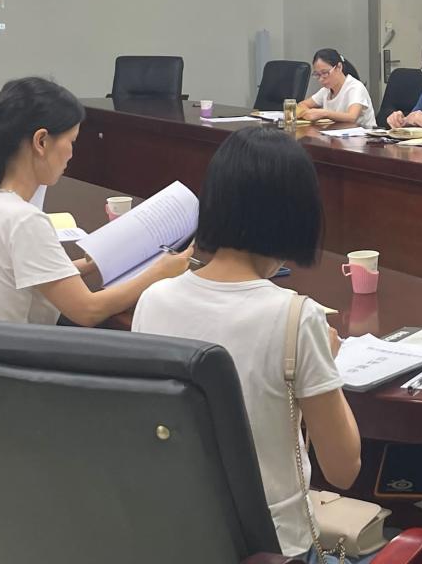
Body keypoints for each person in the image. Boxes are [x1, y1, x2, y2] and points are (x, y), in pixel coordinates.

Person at [132, 127, 366, 561]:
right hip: (276, 550)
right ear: (294, 216)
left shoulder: (152, 301)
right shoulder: (296, 317)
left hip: (181, 540)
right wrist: (326, 365)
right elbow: (344, 469)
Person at [0, 77, 192, 325]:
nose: (72, 154)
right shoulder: (23, 220)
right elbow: (88, 310)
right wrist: (160, 272)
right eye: (71, 141)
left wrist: (91, 264)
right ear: (41, 141)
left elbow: (30, 272)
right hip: (16, 349)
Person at [297, 48, 376, 129]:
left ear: (339, 67)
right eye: (317, 75)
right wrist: (308, 113)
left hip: (362, 135)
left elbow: (352, 117)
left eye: (325, 73)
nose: (321, 79)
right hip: (336, 133)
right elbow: (302, 105)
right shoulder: (326, 90)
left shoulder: (355, 87)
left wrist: (323, 113)